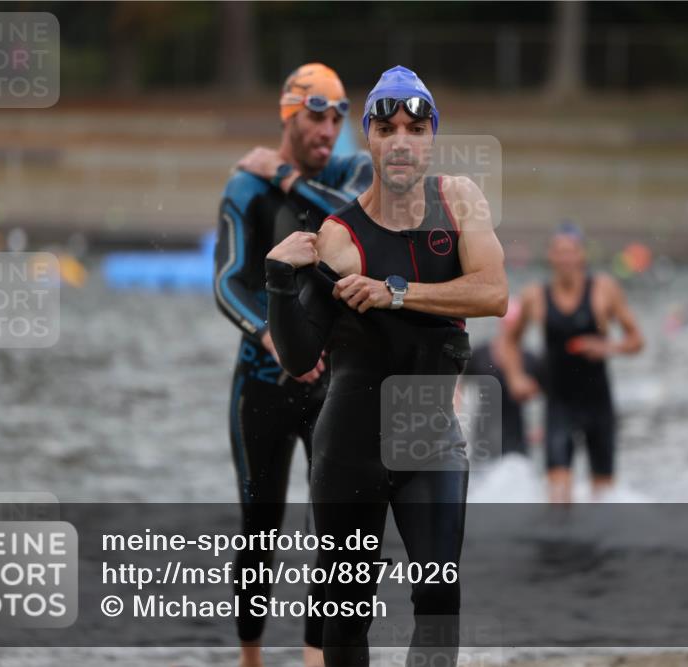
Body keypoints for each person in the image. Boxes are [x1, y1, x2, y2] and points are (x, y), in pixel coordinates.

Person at [264, 65, 508, 667]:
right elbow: (298, 360)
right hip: (350, 445)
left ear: (431, 139)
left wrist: (393, 292)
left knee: (439, 600)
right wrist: (277, 282)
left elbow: (493, 294)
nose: (402, 140)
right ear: (369, 137)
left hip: (429, 437)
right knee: (346, 621)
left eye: (416, 128)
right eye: (388, 127)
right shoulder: (339, 236)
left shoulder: (459, 203)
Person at [213, 62, 372, 667]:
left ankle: (313, 659)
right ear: (288, 114)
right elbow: (226, 283)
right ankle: (250, 657)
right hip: (261, 385)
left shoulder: (352, 172)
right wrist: (273, 338)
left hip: (334, 384)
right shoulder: (243, 189)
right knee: (260, 529)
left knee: (331, 530)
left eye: (336, 116)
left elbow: (356, 218)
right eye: (315, 115)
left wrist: (282, 174)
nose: (327, 128)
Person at [499, 223, 644, 503]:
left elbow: (636, 340)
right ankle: (559, 545)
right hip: (559, 404)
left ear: (581, 256)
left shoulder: (604, 290)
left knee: (603, 494)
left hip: (598, 403)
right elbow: (508, 341)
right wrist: (516, 377)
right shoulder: (535, 296)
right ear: (551, 256)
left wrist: (607, 347)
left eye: (571, 252)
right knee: (558, 494)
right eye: (559, 252)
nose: (565, 258)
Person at [457, 298, 542, 457]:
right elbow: (460, 386)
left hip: (518, 432)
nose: (510, 328)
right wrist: (458, 421)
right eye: (508, 323)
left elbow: (546, 393)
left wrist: (541, 427)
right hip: (484, 431)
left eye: (514, 324)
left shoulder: (529, 358)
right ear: (501, 324)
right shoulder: (481, 353)